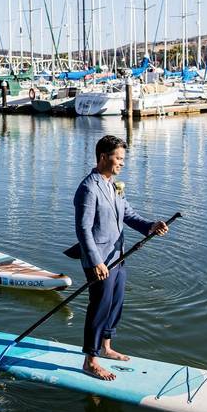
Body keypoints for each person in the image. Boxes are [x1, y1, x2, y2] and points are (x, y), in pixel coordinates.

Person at [73, 135, 169, 381]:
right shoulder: (88, 188)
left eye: (123, 158)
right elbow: (83, 229)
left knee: (115, 302)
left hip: (117, 256)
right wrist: (96, 262)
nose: (122, 163)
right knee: (99, 305)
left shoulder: (112, 184)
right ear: (104, 157)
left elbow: (128, 214)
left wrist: (151, 226)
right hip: (99, 260)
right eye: (119, 158)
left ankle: (106, 347)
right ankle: (90, 360)